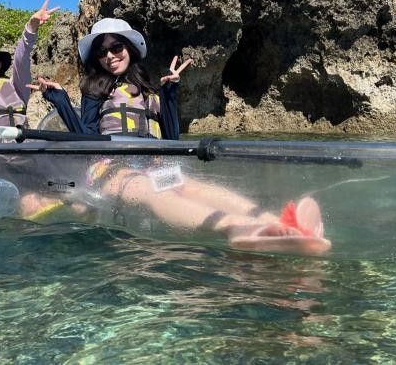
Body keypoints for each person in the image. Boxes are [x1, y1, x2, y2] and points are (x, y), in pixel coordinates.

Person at [27, 17, 330, 254]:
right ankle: (236, 228)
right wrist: (61, 100)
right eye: (102, 51)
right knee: (148, 189)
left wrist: (171, 94)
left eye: (115, 48)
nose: (109, 56)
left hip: (153, 166)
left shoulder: (149, 89)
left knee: (194, 186)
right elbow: (86, 140)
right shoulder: (94, 92)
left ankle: (273, 222)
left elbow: (171, 138)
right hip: (111, 172)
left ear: (129, 49)